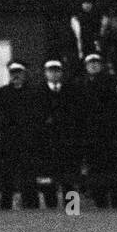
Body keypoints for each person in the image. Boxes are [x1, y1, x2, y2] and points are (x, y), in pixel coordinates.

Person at [74, 53, 117, 208]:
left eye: (97, 62)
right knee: (95, 170)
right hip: (90, 135)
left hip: (110, 134)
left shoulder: (113, 81)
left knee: (113, 169)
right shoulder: (80, 84)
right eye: (91, 63)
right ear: (86, 66)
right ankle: (100, 202)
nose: (94, 65)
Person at [0, 61, 43, 209]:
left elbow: (39, 117)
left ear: (24, 74)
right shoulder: (1, 92)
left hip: (28, 143)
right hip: (7, 142)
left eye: (19, 73)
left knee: (29, 177)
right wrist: (6, 131)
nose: (16, 76)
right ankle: (5, 207)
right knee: (7, 177)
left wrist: (30, 133)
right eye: (13, 73)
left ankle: (31, 207)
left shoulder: (34, 93)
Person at [37, 59, 78, 208]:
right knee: (48, 179)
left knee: (70, 178)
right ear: (45, 73)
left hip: (67, 142)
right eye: (50, 71)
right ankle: (51, 208)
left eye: (56, 71)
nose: (54, 74)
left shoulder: (71, 91)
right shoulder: (38, 92)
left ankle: (72, 208)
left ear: (61, 72)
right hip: (47, 143)